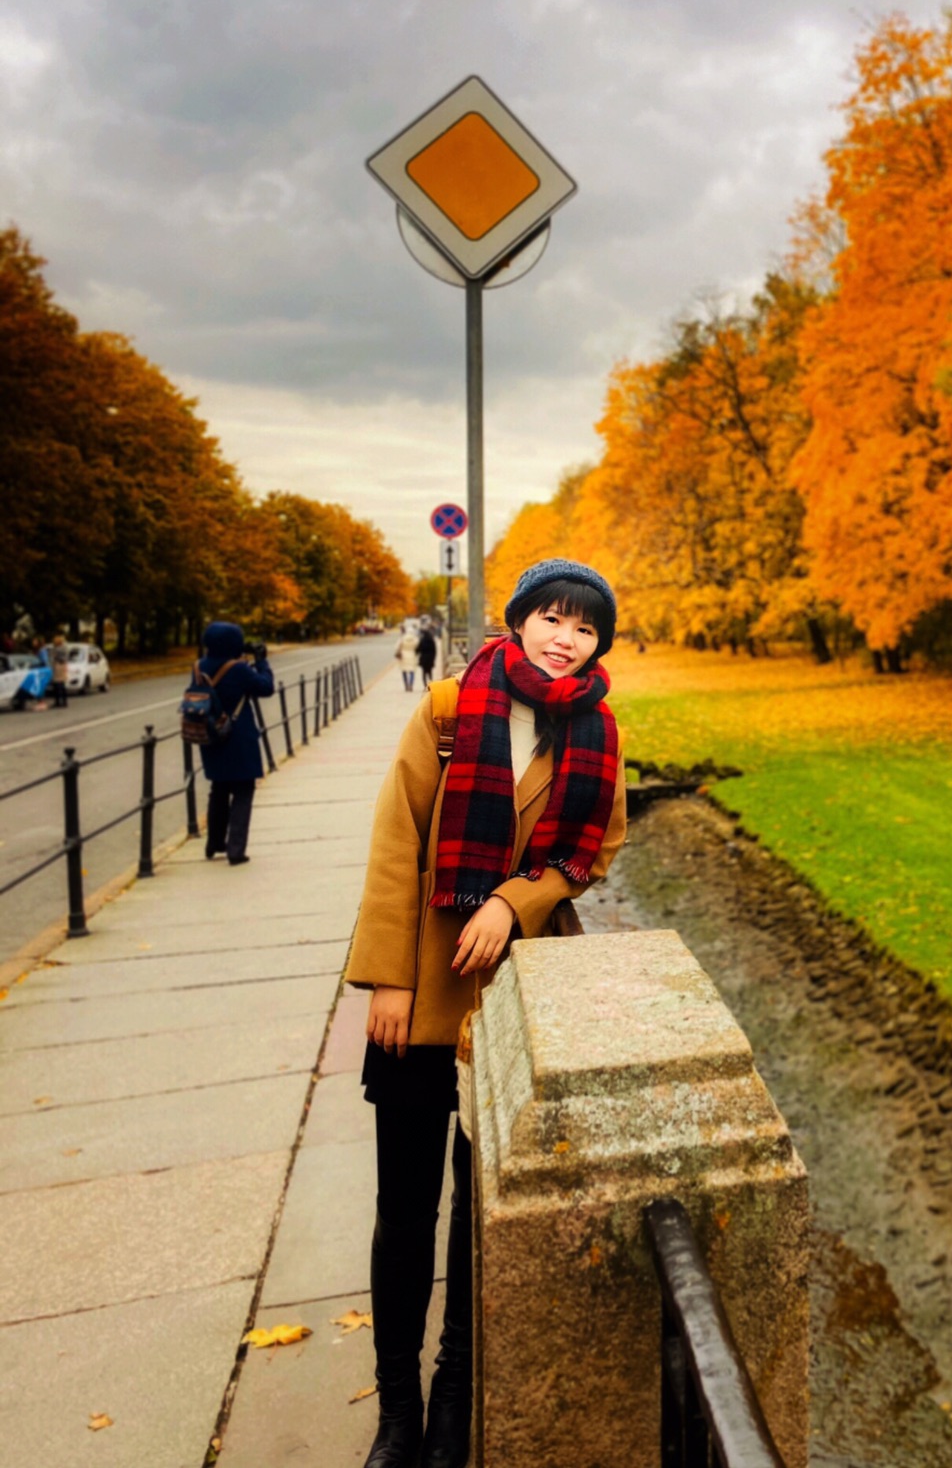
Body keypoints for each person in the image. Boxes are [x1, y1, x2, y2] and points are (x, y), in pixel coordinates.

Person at [345, 559, 627, 1468]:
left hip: (512, 1000)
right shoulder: (445, 713)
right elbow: (397, 846)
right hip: (423, 992)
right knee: (405, 1206)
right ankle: (396, 1411)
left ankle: (452, 1401)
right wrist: (388, 979)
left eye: (583, 629)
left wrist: (516, 899)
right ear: (516, 623)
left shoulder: (598, 730)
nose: (564, 637)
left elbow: (598, 847)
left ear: (596, 645)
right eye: (550, 618)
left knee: (480, 1205)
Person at [196, 623, 275, 865]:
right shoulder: (239, 669)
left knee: (218, 789)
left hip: (211, 735)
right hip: (238, 736)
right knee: (243, 790)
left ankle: (214, 842)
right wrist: (261, 662)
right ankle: (236, 848)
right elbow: (265, 687)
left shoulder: (199, 667)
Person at [46, 631, 70, 709]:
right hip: (60, 666)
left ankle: (60, 701)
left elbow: (55, 656)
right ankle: (61, 701)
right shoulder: (61, 648)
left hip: (59, 666)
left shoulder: (59, 649)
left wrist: (54, 655)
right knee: (59, 685)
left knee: (59, 685)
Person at [394, 624, 421, 692]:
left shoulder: (402, 638)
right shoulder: (415, 639)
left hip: (403, 656)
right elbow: (418, 647)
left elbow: (397, 647)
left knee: (404, 671)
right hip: (412, 655)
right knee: (412, 671)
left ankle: (406, 685)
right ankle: (411, 685)